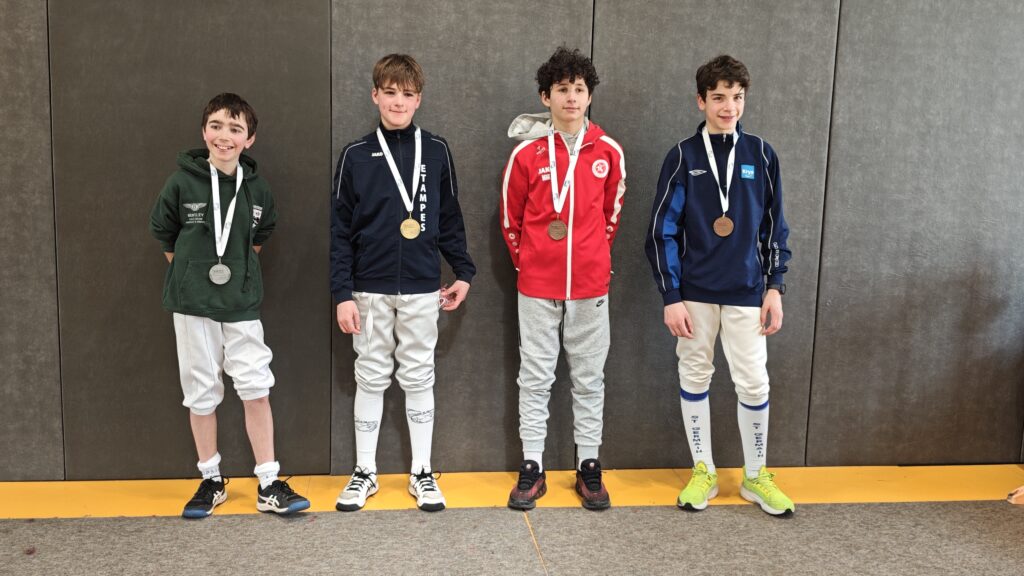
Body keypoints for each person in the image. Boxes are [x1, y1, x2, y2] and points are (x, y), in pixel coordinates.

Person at [645, 55, 794, 516]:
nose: (729, 107)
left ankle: (755, 476)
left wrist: (775, 287)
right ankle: (703, 471)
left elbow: (775, 228)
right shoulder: (683, 156)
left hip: (748, 291)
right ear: (701, 101)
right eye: (719, 98)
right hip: (694, 293)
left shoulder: (762, 155)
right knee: (694, 375)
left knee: (754, 382)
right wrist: (671, 296)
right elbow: (661, 231)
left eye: (737, 97)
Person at [150, 92, 310, 518]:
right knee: (201, 394)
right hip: (192, 305)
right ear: (204, 132)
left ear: (249, 139)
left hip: (240, 305)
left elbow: (262, 234)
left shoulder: (257, 188)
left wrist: (236, 272)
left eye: (235, 129)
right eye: (217, 126)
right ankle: (211, 480)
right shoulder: (181, 182)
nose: (225, 136)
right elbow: (163, 232)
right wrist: (191, 273)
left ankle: (269, 482)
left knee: (256, 388)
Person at [330, 54, 476, 512]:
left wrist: (463, 271)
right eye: (390, 92)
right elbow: (339, 231)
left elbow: (449, 217)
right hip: (368, 288)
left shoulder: (437, 150)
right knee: (370, 376)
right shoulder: (355, 155)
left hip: (421, 286)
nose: (398, 101)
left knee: (418, 375)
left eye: (407, 94)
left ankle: (421, 472)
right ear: (375, 95)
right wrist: (342, 293)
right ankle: (365, 472)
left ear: (419, 99)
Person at [500, 46, 626, 511]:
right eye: (561, 89)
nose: (571, 98)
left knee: (589, 378)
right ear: (545, 96)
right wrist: (530, 263)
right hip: (537, 287)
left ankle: (588, 464)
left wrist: (592, 258)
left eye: (579, 89)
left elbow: (612, 215)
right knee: (534, 376)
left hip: (590, 287)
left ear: (589, 96)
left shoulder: (608, 151)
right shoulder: (526, 155)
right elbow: (510, 218)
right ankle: (532, 465)